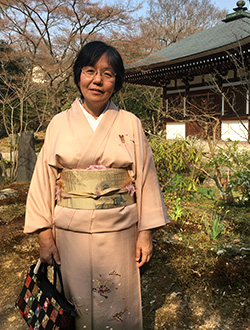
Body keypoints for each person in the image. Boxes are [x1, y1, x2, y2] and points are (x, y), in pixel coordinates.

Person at [24, 41, 169, 329]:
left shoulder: (130, 123)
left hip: (120, 231)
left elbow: (147, 178)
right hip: (69, 232)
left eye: (108, 73)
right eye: (90, 71)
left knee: (118, 300)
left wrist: (145, 233)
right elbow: (42, 180)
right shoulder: (58, 123)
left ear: (117, 82)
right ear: (79, 75)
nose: (98, 80)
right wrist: (44, 235)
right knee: (72, 306)